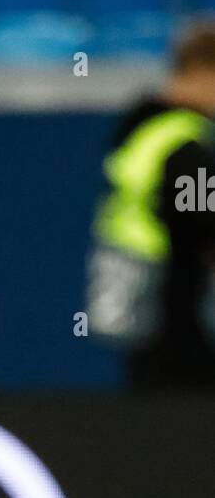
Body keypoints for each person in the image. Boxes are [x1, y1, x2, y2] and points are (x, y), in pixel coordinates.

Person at [88, 20, 215, 388]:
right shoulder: (183, 144)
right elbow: (201, 216)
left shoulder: (144, 131)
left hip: (141, 304)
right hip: (176, 310)